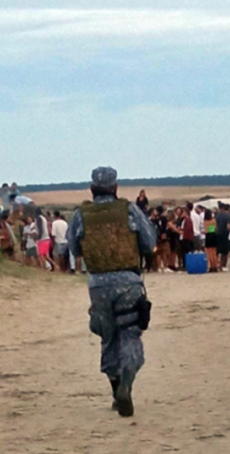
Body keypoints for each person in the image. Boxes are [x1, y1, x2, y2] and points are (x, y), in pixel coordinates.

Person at [67, 167, 155, 418]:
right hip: (129, 282)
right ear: (115, 188)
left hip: (98, 285)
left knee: (108, 337)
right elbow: (149, 242)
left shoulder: (80, 215)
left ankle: (117, 389)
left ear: (92, 189)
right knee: (130, 335)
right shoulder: (129, 210)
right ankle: (127, 382)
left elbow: (74, 249)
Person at [215, 204, 230, 271]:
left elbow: (214, 225)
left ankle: (216, 264)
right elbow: (228, 226)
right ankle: (223, 265)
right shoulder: (228, 216)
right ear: (228, 209)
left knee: (217, 251)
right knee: (224, 252)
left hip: (217, 234)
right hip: (224, 235)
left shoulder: (217, 215)